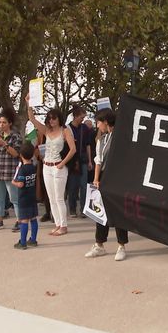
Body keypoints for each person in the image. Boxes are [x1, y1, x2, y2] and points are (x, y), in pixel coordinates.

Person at [26, 95, 76, 236]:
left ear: (59, 118)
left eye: (54, 118)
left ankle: (64, 226)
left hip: (58, 166)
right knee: (51, 197)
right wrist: (29, 104)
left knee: (59, 198)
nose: (51, 121)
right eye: (49, 118)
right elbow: (32, 119)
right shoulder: (47, 131)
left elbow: (73, 149)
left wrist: (62, 163)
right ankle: (58, 223)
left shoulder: (65, 131)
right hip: (46, 166)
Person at [85, 108, 129, 261]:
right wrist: (96, 179)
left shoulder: (122, 137)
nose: (97, 125)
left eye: (98, 122)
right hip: (104, 177)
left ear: (105, 122)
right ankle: (99, 245)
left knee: (118, 212)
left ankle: (121, 245)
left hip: (119, 178)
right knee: (99, 211)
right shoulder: (102, 140)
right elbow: (98, 160)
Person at [0, 108, 23, 231]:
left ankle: (20, 221)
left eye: (4, 122)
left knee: (14, 198)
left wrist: (5, 144)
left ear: (10, 123)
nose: (1, 125)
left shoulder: (16, 136)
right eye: (0, 123)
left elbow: (16, 154)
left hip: (10, 171)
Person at [11, 143, 39, 249]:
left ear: (21, 155)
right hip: (32, 196)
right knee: (33, 218)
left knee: (24, 220)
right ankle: (33, 239)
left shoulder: (22, 169)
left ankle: (22, 242)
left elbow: (21, 184)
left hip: (24, 198)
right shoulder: (33, 167)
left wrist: (14, 182)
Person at [67, 104, 93, 218]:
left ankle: (83, 209)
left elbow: (88, 145)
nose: (83, 119)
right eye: (81, 117)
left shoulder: (84, 128)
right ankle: (72, 209)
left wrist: (90, 161)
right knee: (72, 186)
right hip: (72, 160)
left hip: (83, 159)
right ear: (75, 116)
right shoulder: (67, 128)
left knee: (84, 186)